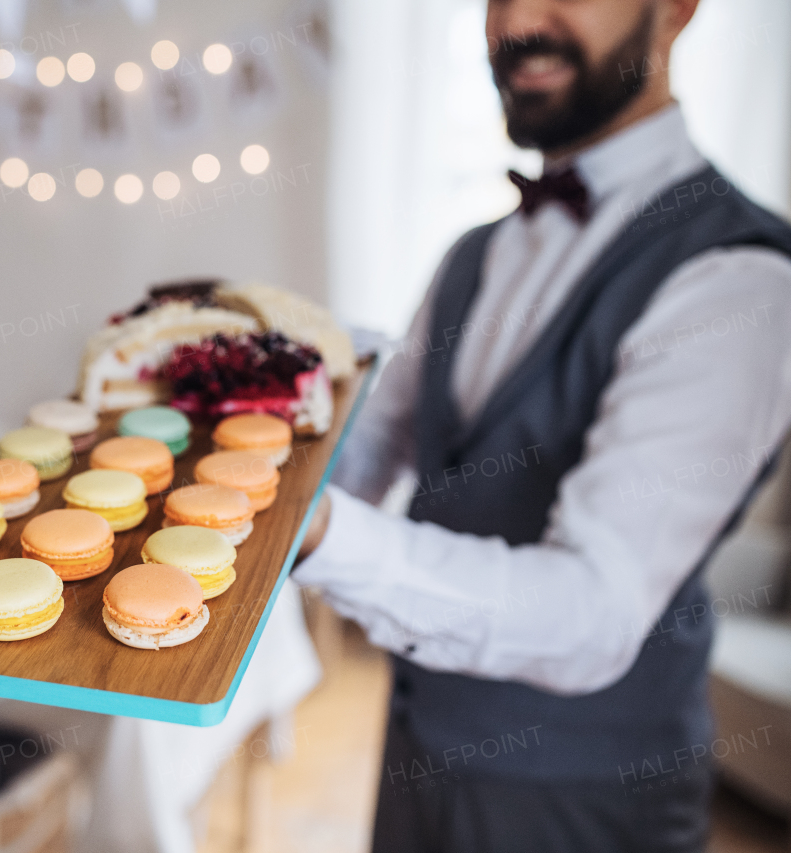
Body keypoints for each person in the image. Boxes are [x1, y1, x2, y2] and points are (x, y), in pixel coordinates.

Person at [294, 0, 791, 851]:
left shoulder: (740, 279)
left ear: (676, 9)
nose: (519, 18)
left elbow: (593, 607)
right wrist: (255, 447)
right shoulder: (471, 253)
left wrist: (320, 533)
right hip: (416, 740)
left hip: (587, 793)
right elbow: (379, 443)